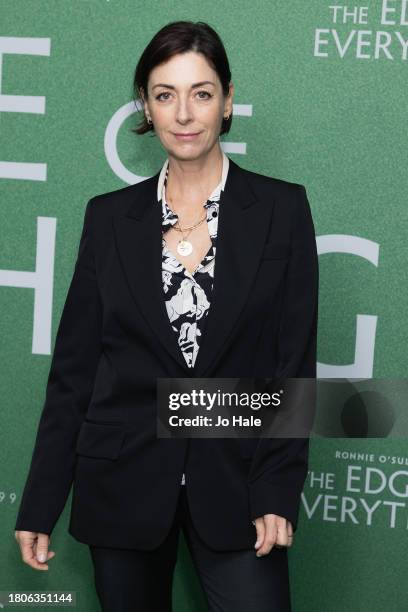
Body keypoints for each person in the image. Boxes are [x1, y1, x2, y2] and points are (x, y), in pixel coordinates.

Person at [14, 20, 319, 612]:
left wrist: (278, 488)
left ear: (228, 101)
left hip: (240, 485)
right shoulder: (108, 219)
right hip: (122, 481)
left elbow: (293, 367)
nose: (184, 113)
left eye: (201, 93)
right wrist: (41, 500)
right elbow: (75, 373)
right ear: (147, 108)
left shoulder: (281, 210)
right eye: (164, 94)